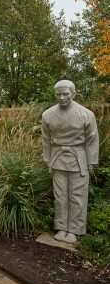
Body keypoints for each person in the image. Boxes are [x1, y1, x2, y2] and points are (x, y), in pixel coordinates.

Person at [41, 80, 99, 243]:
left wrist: (91, 162)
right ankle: (61, 227)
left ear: (74, 93)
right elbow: (46, 139)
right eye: (58, 94)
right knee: (60, 196)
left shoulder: (86, 114)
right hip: (58, 157)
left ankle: (74, 229)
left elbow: (92, 139)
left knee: (77, 195)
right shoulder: (47, 115)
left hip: (78, 158)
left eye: (65, 93)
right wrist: (47, 158)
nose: (62, 97)